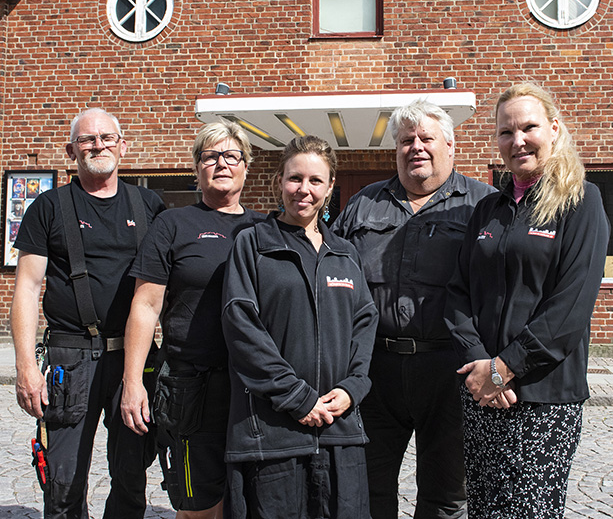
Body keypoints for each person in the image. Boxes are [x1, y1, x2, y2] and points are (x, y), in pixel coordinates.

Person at [445, 83, 610, 519]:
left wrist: (505, 368)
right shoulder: (487, 209)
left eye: (528, 127)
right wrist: (480, 364)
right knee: (483, 508)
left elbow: (570, 309)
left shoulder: (581, 202)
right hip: (481, 392)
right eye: (505, 132)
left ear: (554, 129)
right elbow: (458, 293)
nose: (517, 141)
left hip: (541, 397)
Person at [331, 99, 496, 519]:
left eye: (427, 138)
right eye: (407, 140)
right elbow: (330, 276)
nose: (416, 147)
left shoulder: (484, 205)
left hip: (451, 370)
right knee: (366, 488)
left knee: (446, 494)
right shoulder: (363, 204)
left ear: (451, 146)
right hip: (376, 370)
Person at [10, 108, 165, 519]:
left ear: (123, 145)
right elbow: (26, 288)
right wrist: (26, 368)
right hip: (69, 357)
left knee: (132, 477)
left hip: (133, 359)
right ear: (71, 150)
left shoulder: (150, 205)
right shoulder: (47, 207)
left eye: (107, 137)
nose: (99, 145)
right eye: (87, 139)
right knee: (62, 482)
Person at [221, 135, 378, 519]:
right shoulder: (253, 244)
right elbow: (241, 325)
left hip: (340, 431)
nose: (303, 190)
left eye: (315, 181)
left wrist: (353, 388)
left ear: (329, 188)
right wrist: (297, 398)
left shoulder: (344, 253)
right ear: (279, 182)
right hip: (272, 434)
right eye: (295, 179)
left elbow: (364, 323)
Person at [121, 120, 264, 519]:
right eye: (210, 156)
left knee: (253, 497)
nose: (221, 163)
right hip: (191, 385)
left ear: (246, 166)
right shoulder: (173, 224)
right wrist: (133, 383)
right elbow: (145, 306)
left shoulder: (266, 228)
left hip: (254, 386)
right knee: (199, 504)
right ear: (197, 167)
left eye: (231, 156)